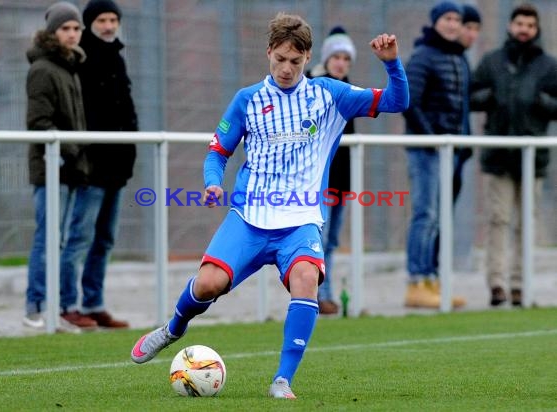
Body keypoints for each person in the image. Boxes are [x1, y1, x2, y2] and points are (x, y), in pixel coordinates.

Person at [130, 12, 408, 399]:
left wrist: (392, 62)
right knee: (209, 283)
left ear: (307, 57)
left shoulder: (331, 95)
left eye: (295, 61)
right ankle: (173, 329)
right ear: (268, 54)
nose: (286, 68)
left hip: (300, 222)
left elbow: (398, 100)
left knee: (307, 279)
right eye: (280, 59)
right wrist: (212, 183)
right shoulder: (248, 100)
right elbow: (217, 152)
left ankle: (282, 380)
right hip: (249, 218)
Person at [470, 3, 557, 307]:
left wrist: (540, 101)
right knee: (499, 219)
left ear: (536, 30)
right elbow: (472, 95)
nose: (524, 29)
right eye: (519, 23)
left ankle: (521, 283)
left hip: (533, 158)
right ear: (510, 26)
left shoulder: (548, 65)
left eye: (530, 25)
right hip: (499, 157)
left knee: (526, 223)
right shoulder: (493, 62)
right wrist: (493, 97)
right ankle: (497, 284)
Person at [58, 0, 138, 329]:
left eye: (113, 19)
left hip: (117, 167)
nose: (108, 25)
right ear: (91, 23)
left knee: (104, 238)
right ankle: (67, 305)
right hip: (90, 167)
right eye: (102, 19)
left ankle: (93, 303)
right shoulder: (81, 58)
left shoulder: (117, 56)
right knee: (79, 237)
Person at [23, 1, 92, 332]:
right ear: (53, 32)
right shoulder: (43, 69)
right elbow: (38, 124)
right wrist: (71, 150)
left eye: (76, 28)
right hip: (51, 168)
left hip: (70, 167)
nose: (72, 33)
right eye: (66, 28)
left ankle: (57, 309)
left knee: (62, 241)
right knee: (47, 239)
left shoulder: (70, 67)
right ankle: (34, 307)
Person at [402, 1, 468, 309]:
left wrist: (461, 145)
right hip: (426, 151)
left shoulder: (458, 58)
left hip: (450, 152)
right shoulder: (423, 56)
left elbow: (461, 107)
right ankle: (417, 280)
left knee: (440, 218)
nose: (453, 24)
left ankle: (433, 281)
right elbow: (410, 102)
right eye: (448, 18)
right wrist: (432, 139)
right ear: (436, 22)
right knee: (425, 215)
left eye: (457, 19)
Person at [306, 26, 357, 315]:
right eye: (336, 57)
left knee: (333, 240)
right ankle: (316, 294)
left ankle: (326, 292)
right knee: (319, 240)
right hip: (318, 181)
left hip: (341, 179)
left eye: (346, 59)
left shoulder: (350, 89)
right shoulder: (313, 87)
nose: (341, 63)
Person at [453, 4, 482, 203]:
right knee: (431, 214)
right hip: (440, 147)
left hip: (459, 147)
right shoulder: (442, 57)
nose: (472, 34)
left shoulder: (462, 59)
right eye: (468, 27)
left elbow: (467, 100)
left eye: (476, 29)